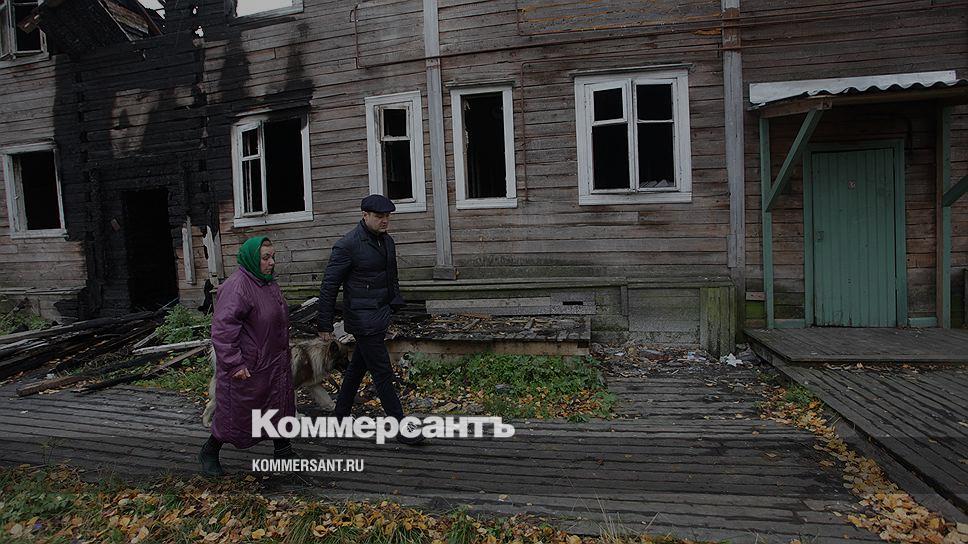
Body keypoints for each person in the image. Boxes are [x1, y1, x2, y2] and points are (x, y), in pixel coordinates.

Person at [316, 194, 424, 445]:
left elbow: (391, 276)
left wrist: (394, 302)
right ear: (365, 215)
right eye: (378, 216)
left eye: (387, 216)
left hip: (380, 313)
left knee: (357, 368)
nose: (384, 220)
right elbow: (329, 286)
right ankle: (401, 427)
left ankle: (340, 417)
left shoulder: (387, 242)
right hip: (362, 319)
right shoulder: (348, 245)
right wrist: (324, 323)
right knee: (382, 372)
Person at [199, 236, 298, 476]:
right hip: (249, 367)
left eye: (273, 257)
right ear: (252, 259)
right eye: (265, 258)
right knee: (236, 414)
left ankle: (283, 451)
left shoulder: (267, 283)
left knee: (278, 406)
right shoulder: (237, 287)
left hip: (273, 362)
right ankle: (209, 451)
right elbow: (223, 331)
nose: (271, 262)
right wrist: (234, 363)